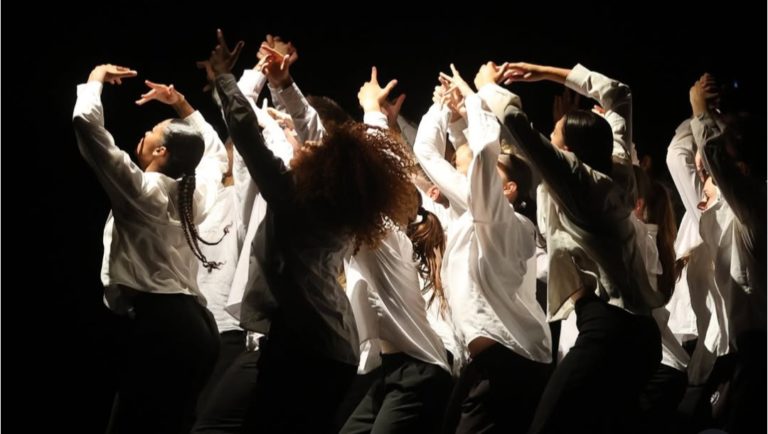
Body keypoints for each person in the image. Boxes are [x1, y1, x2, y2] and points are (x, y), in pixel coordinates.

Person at [208, 31, 419, 433]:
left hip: (302, 347)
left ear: (324, 167)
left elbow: (245, 132)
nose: (303, 144)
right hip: (336, 351)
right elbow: (318, 134)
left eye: (311, 150)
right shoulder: (346, 201)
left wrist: (223, 77)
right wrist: (283, 84)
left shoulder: (294, 199)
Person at [499, 61, 663, 433]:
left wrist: (489, 87)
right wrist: (543, 72)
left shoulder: (579, 183)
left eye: (555, 131)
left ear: (569, 151)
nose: (550, 132)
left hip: (609, 329)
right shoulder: (617, 171)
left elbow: (514, 121)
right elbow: (620, 94)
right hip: (639, 334)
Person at [73, 64, 225, 434]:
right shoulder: (193, 196)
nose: (142, 134)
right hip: (198, 329)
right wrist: (181, 103)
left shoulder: (141, 192)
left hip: (164, 325)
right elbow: (215, 153)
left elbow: (86, 124)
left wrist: (95, 78)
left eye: (150, 132)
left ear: (160, 150)